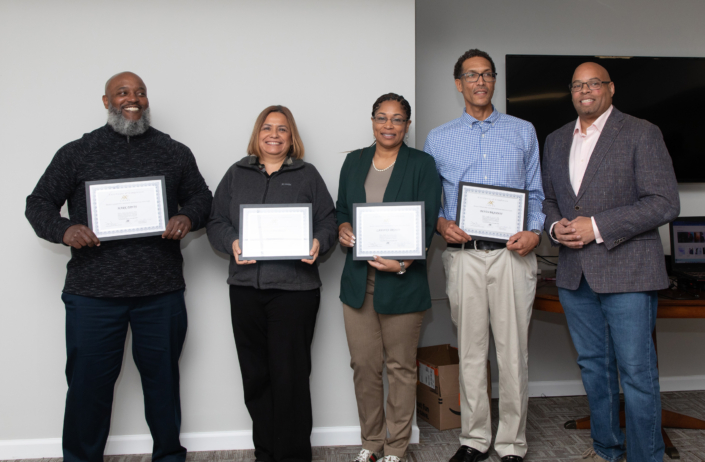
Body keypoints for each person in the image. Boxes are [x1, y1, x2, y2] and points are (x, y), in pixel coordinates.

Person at [25, 72, 213, 462]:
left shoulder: (173, 151)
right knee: (87, 388)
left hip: (160, 292)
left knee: (163, 384)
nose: (133, 99)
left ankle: (169, 456)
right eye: (123, 92)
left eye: (140, 92)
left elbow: (201, 196)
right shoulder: (77, 152)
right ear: (106, 101)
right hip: (93, 294)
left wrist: (187, 217)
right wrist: (65, 230)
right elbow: (38, 203)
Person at [541, 62, 680, 462]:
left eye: (594, 83)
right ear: (571, 92)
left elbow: (664, 202)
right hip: (574, 275)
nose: (585, 91)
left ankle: (646, 456)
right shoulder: (555, 140)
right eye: (577, 85)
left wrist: (597, 226)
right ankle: (606, 448)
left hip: (629, 273)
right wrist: (555, 229)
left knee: (636, 372)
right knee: (594, 368)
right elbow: (549, 200)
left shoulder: (641, 132)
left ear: (611, 88)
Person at [424, 49, 545, 462]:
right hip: (465, 257)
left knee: (513, 354)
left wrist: (534, 232)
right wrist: (441, 225)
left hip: (512, 256)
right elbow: (433, 202)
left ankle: (511, 444)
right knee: (471, 352)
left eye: (487, 74)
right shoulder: (439, 138)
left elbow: (536, 193)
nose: (480, 81)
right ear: (458, 84)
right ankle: (474, 439)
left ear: (494, 80)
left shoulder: (523, 131)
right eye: (472, 75)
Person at [206, 105, 337, 462]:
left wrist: (318, 241)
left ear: (291, 137)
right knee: (256, 377)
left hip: (295, 293)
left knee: (290, 378)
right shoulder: (236, 174)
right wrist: (232, 241)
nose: (274, 135)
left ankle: (293, 457)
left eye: (282, 129)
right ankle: (265, 453)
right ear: (257, 134)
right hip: (245, 290)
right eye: (267, 128)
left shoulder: (308, 175)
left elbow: (328, 221)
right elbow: (215, 221)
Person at [336, 93, 442, 462]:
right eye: (382, 117)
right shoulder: (354, 161)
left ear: (407, 125)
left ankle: (396, 446)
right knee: (364, 367)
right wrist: (343, 227)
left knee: (400, 368)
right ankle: (372, 442)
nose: (389, 125)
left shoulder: (421, 164)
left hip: (402, 281)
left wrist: (403, 263)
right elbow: (340, 210)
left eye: (397, 119)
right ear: (372, 121)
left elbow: (427, 222)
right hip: (358, 284)